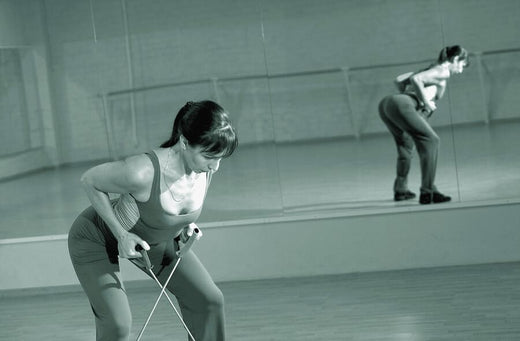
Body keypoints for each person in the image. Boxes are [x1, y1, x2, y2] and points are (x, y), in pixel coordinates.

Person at [68, 100, 238, 340]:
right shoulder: (141, 172)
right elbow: (89, 180)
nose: (216, 166)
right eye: (210, 156)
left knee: (208, 301)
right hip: (95, 237)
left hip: (151, 240)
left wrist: (184, 226)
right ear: (184, 142)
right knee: (117, 324)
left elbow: (172, 208)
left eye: (220, 158)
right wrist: (121, 234)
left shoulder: (204, 170)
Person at [378, 45, 469, 204]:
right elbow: (416, 79)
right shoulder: (443, 70)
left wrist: (410, 95)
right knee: (432, 141)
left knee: (405, 146)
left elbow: (398, 80)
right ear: (455, 60)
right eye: (461, 65)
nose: (461, 70)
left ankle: (401, 190)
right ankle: (428, 192)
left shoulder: (432, 70)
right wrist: (426, 102)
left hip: (387, 104)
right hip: (403, 103)